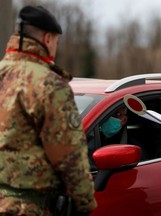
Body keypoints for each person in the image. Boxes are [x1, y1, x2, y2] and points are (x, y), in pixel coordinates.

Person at [0, 5, 97, 215]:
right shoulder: (48, 84)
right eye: (56, 42)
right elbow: (68, 155)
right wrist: (84, 202)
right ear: (47, 40)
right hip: (27, 206)